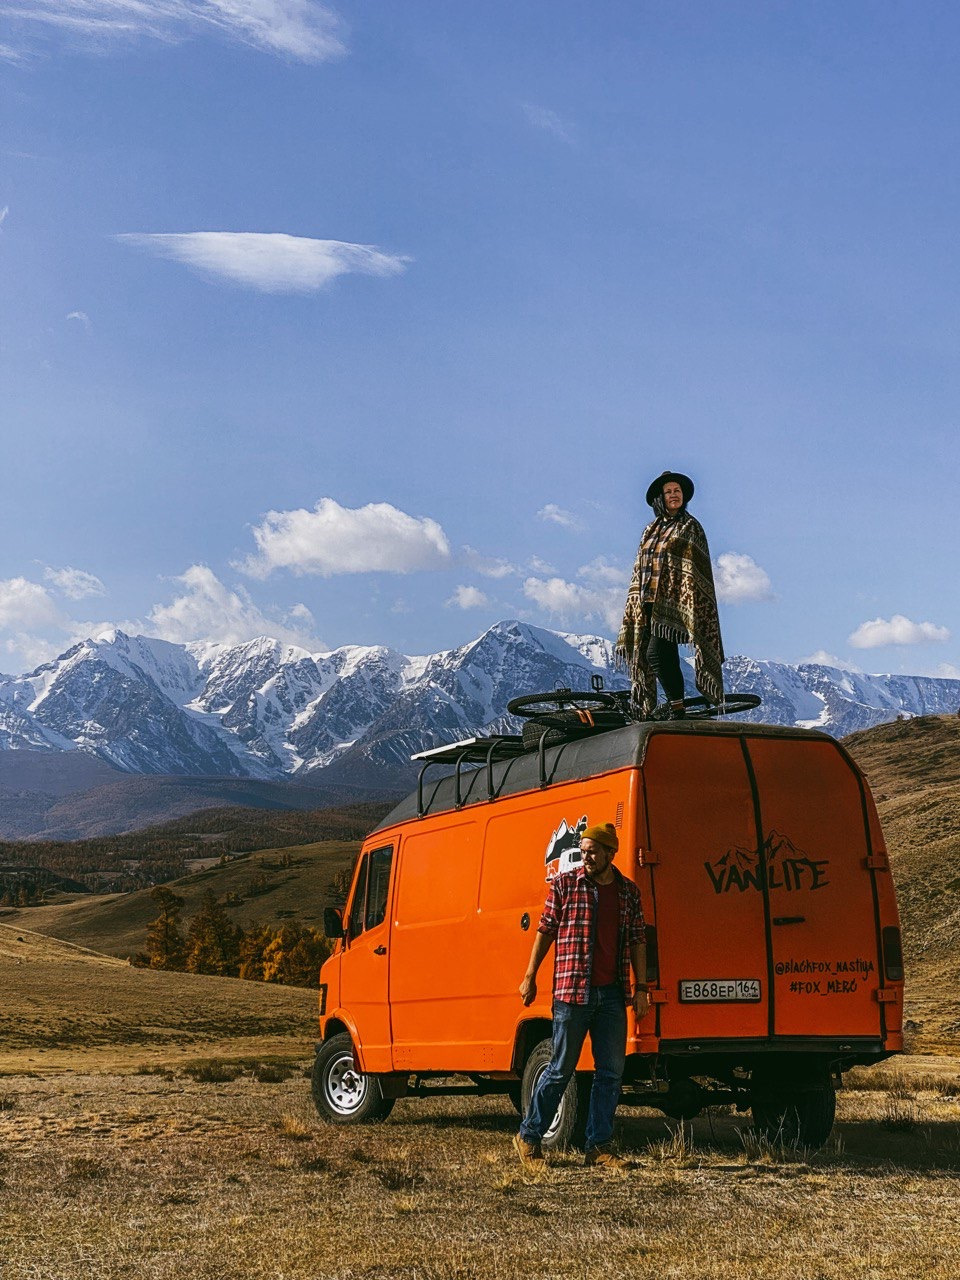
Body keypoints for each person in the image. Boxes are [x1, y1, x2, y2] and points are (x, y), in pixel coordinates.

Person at [514, 823, 648, 1169]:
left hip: (613, 995)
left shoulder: (628, 893)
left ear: (609, 853)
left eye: (593, 851)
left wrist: (642, 987)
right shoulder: (565, 885)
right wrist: (530, 975)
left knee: (610, 1073)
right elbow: (545, 931)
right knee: (560, 1069)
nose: (586, 857)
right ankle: (529, 1138)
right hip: (572, 992)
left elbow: (637, 941)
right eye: (583, 851)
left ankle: (599, 1146)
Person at [616, 469, 724, 720]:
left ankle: (677, 707)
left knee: (656, 652)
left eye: (677, 491)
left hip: (676, 603)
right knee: (654, 654)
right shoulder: (650, 530)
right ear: (660, 498)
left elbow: (694, 569)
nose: (674, 495)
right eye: (669, 492)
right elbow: (639, 566)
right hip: (647, 603)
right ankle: (661, 708)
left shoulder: (690, 527)